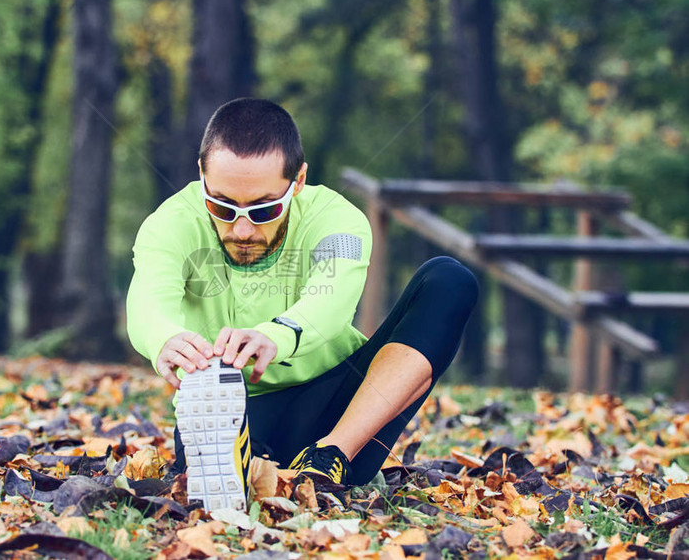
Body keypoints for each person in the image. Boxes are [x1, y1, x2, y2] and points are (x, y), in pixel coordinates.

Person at [126, 97, 478, 509]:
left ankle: (329, 459)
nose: (241, 228)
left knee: (450, 279)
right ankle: (243, 471)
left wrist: (275, 335)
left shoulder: (337, 221)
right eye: (220, 206)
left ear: (298, 181)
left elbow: (332, 300)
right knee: (222, 472)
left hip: (341, 405)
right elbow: (149, 296)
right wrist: (165, 337)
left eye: (264, 209)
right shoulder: (169, 223)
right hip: (232, 410)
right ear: (201, 174)